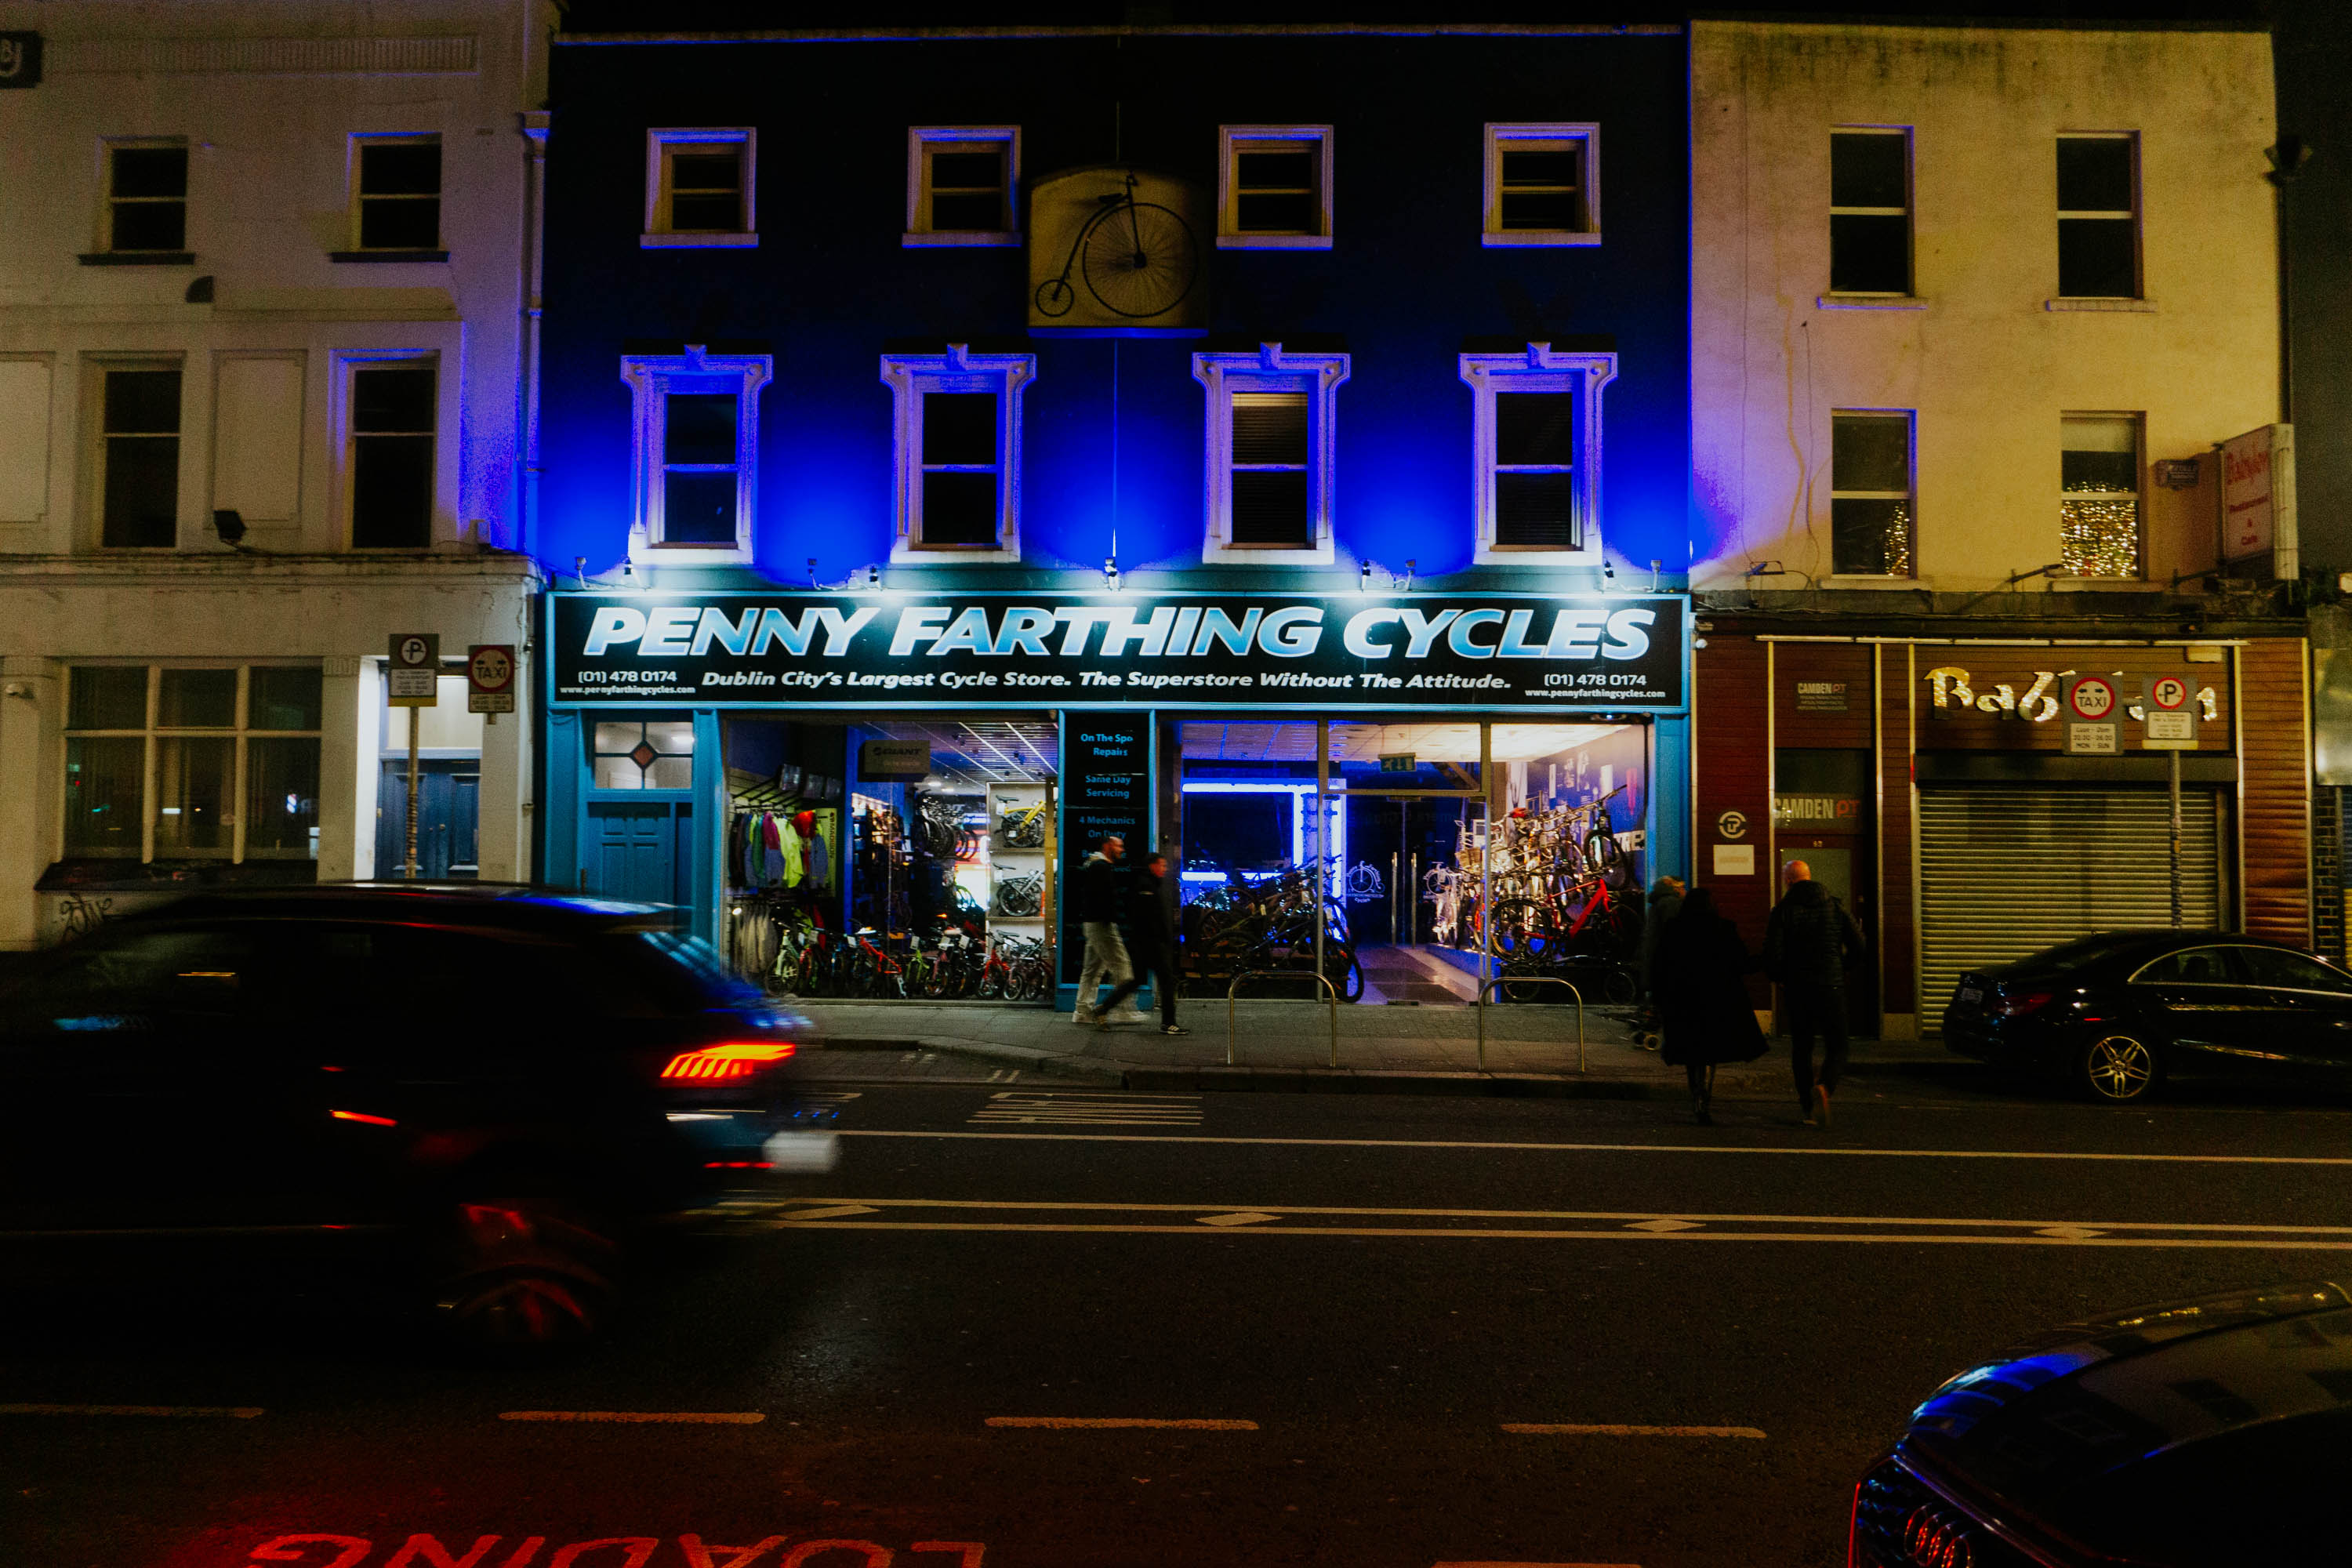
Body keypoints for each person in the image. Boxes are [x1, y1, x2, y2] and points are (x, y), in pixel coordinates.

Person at [1764, 858, 1865, 1127]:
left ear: (1788, 880)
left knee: (1802, 1047)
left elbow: (1772, 953)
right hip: (1831, 985)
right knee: (1838, 1044)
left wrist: (1780, 978)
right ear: (1809, 877)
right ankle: (1825, 1086)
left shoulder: (1782, 910)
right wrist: (1842, 968)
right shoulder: (1835, 906)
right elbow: (1859, 946)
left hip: (1798, 987)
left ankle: (1808, 1108)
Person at [1653, 886, 1766, 1123]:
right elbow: (1741, 963)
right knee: (1711, 1050)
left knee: (1691, 1050)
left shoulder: (1675, 928)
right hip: (1717, 998)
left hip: (1683, 998)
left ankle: (1696, 1092)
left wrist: (1660, 995)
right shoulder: (1724, 928)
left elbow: (1661, 964)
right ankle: (1705, 1094)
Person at [1095, 851, 1187, 1036]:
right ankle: (1168, 1023)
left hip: (1144, 943)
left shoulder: (1148, 884)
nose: (1165, 868)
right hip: (1151, 944)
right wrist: (1161, 939)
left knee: (1136, 981)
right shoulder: (1146, 886)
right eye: (1162, 865)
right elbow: (1147, 918)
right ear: (1152, 866)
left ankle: (1103, 1008)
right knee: (1167, 982)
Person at [1072, 835, 1138, 1025]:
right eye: (1119, 846)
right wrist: (1111, 919)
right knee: (1122, 965)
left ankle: (1082, 1011)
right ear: (1108, 846)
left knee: (1092, 969)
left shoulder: (1094, 866)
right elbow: (1104, 898)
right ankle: (1124, 1010)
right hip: (1102, 925)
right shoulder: (1101, 867)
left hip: (1092, 923)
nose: (1122, 850)